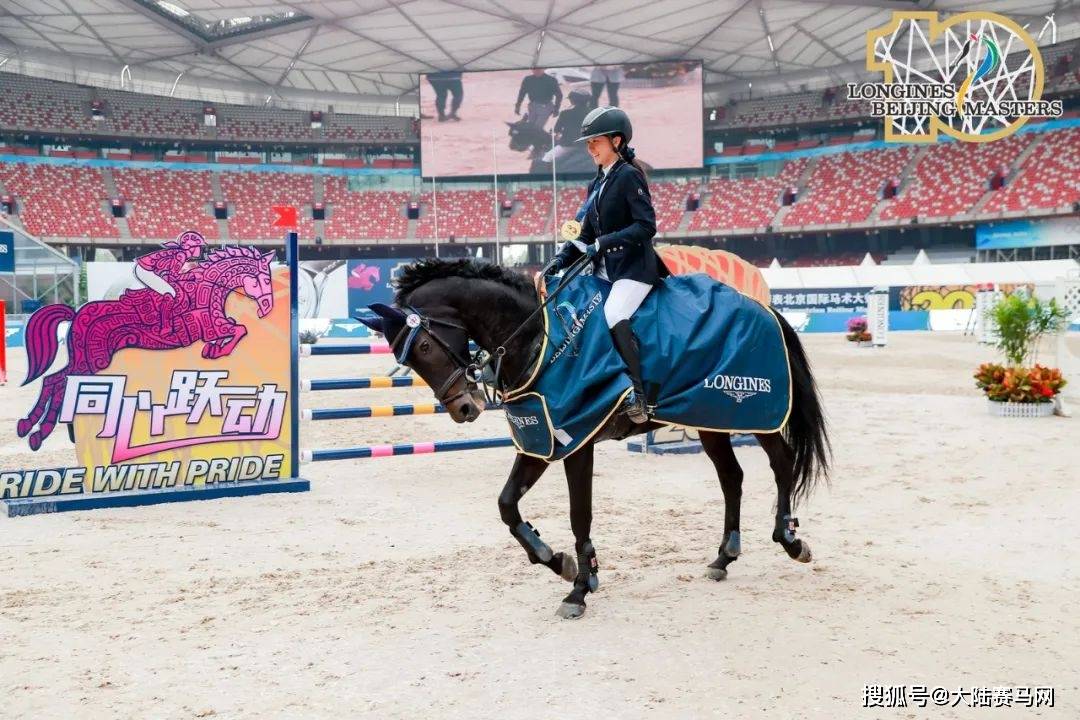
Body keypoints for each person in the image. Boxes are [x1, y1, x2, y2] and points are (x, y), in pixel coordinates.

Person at [548, 107, 668, 423]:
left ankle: (638, 395)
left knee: (614, 313)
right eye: (588, 144)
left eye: (595, 142)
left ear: (616, 141)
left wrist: (606, 241)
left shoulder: (629, 175)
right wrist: (561, 259)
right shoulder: (597, 183)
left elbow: (646, 226)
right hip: (605, 271)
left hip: (633, 270)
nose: (590, 149)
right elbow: (585, 232)